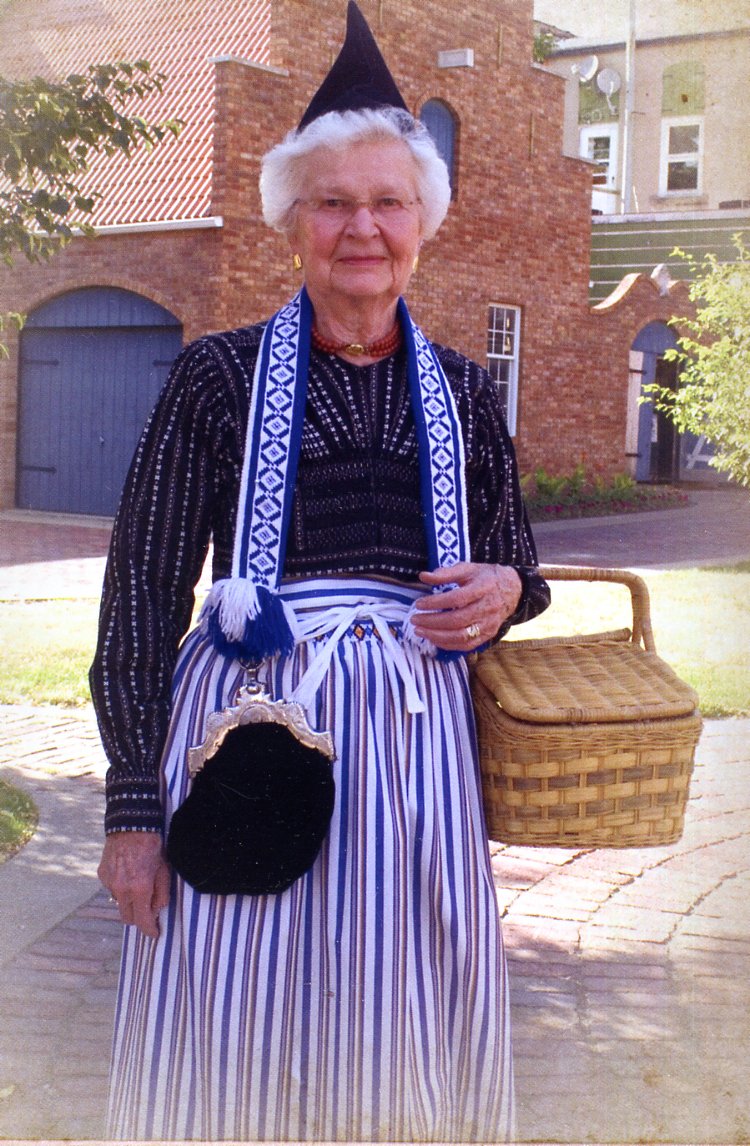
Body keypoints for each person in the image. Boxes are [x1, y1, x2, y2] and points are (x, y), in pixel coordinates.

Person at [91, 3, 550, 1140]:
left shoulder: (464, 393)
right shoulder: (216, 378)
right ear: (293, 220)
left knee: (395, 1019)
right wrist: (135, 815)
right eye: (334, 202)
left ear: (423, 223)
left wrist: (503, 593)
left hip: (415, 769)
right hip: (248, 735)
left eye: (388, 202)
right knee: (234, 1012)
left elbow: (520, 572)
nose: (362, 228)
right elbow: (144, 588)